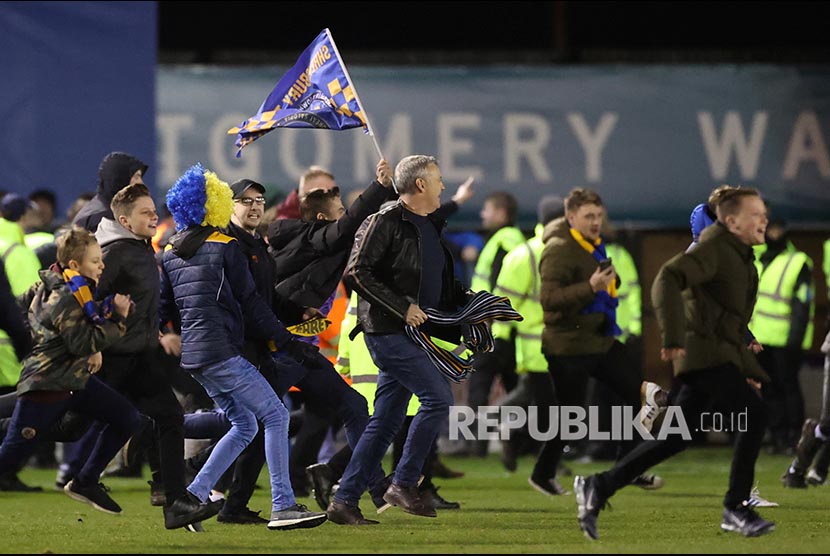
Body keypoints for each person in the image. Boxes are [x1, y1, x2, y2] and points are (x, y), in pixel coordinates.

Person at [574, 186, 774, 539]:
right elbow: (667, 278)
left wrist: (746, 363)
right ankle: (736, 506)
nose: (764, 219)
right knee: (754, 414)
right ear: (731, 221)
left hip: (716, 353)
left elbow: (726, 317)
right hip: (704, 355)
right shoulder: (715, 247)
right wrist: (673, 339)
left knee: (676, 437)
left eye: (764, 212)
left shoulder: (739, 254)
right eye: (755, 213)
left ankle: (600, 485)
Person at [326, 155, 511, 525]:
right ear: (421, 185)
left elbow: (437, 285)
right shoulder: (384, 220)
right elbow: (358, 271)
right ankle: (404, 482)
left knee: (386, 421)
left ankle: (343, 501)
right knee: (437, 398)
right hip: (388, 331)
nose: (443, 185)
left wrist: (471, 306)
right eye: (439, 179)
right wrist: (401, 308)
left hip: (413, 333)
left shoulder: (428, 225)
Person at [160, 163, 326, 530]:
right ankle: (283, 505)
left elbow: (163, 311)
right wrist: (289, 343)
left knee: (245, 424)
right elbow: (251, 305)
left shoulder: (169, 252)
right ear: (215, 205)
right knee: (277, 416)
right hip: (222, 351)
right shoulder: (226, 247)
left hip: (195, 356)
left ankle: (194, 497)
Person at [62, 183, 221, 529]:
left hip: (139, 356)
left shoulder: (140, 248)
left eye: (153, 211)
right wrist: (91, 347)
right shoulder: (119, 253)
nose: (154, 216)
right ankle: (89, 479)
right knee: (68, 424)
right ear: (124, 219)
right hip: (112, 357)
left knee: (167, 417)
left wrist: (159, 334)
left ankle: (174, 500)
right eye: (145, 212)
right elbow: (82, 301)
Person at [0, 227, 141, 514]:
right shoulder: (66, 295)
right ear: (74, 265)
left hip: (74, 380)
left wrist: (42, 335)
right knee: (13, 453)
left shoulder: (64, 286)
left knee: (126, 417)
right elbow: (82, 343)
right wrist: (117, 318)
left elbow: (20, 309)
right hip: (48, 385)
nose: (102, 266)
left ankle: (85, 482)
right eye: (95, 261)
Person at [539, 188, 662, 493]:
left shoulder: (593, 244)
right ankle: (542, 473)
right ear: (571, 217)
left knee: (635, 393)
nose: (596, 221)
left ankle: (629, 467)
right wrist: (590, 287)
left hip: (599, 339)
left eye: (598, 215)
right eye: (588, 216)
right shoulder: (559, 248)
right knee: (570, 417)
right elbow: (549, 301)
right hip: (568, 345)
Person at [465, 191, 526, 457]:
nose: (483, 215)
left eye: (487, 210)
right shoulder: (512, 240)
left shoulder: (504, 241)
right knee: (516, 389)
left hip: (494, 330)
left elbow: (501, 284)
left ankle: (475, 445)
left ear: (501, 213)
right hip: (509, 331)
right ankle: (522, 442)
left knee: (479, 386)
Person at [749, 218, 814, 454]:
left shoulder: (797, 262)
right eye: (770, 230)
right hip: (760, 338)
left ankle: (793, 437)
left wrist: (795, 338)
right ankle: (777, 437)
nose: (773, 234)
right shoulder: (757, 259)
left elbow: (802, 304)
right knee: (769, 388)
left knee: (789, 388)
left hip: (786, 339)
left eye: (777, 230)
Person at [73, 151, 148, 232]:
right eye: (137, 177)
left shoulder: (111, 211)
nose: (141, 183)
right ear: (120, 179)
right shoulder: (101, 220)